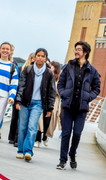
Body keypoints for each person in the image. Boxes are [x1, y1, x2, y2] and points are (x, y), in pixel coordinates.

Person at [56, 41, 100, 170]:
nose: (76, 51)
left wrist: (88, 98)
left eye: (79, 49)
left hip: (81, 108)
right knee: (66, 133)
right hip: (68, 106)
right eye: (75, 49)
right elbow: (60, 83)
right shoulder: (68, 66)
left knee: (77, 133)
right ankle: (62, 160)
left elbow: (97, 88)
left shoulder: (92, 71)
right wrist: (64, 94)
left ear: (85, 53)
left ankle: (72, 154)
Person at [15, 48, 56, 161]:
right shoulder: (28, 69)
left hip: (38, 104)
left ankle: (28, 151)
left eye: (43, 56)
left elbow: (52, 91)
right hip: (25, 102)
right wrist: (18, 101)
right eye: (38, 55)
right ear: (35, 57)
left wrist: (50, 108)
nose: (40, 58)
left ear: (45, 58)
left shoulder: (48, 73)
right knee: (22, 126)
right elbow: (21, 86)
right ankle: (20, 150)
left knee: (32, 127)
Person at [8, 52, 36, 146]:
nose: (34, 60)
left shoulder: (36, 71)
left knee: (22, 119)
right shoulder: (21, 69)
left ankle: (17, 139)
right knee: (15, 117)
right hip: (18, 95)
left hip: (27, 97)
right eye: (33, 58)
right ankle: (11, 137)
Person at [0, 44, 18, 141]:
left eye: (11, 50)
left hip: (6, 90)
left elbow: (15, 79)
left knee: (1, 111)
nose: (11, 52)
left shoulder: (14, 64)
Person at [45, 61, 62, 138]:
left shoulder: (59, 79)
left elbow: (60, 91)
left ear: (55, 68)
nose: (50, 66)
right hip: (45, 99)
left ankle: (45, 136)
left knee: (50, 119)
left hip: (54, 101)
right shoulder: (46, 74)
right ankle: (38, 138)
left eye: (51, 66)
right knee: (41, 119)